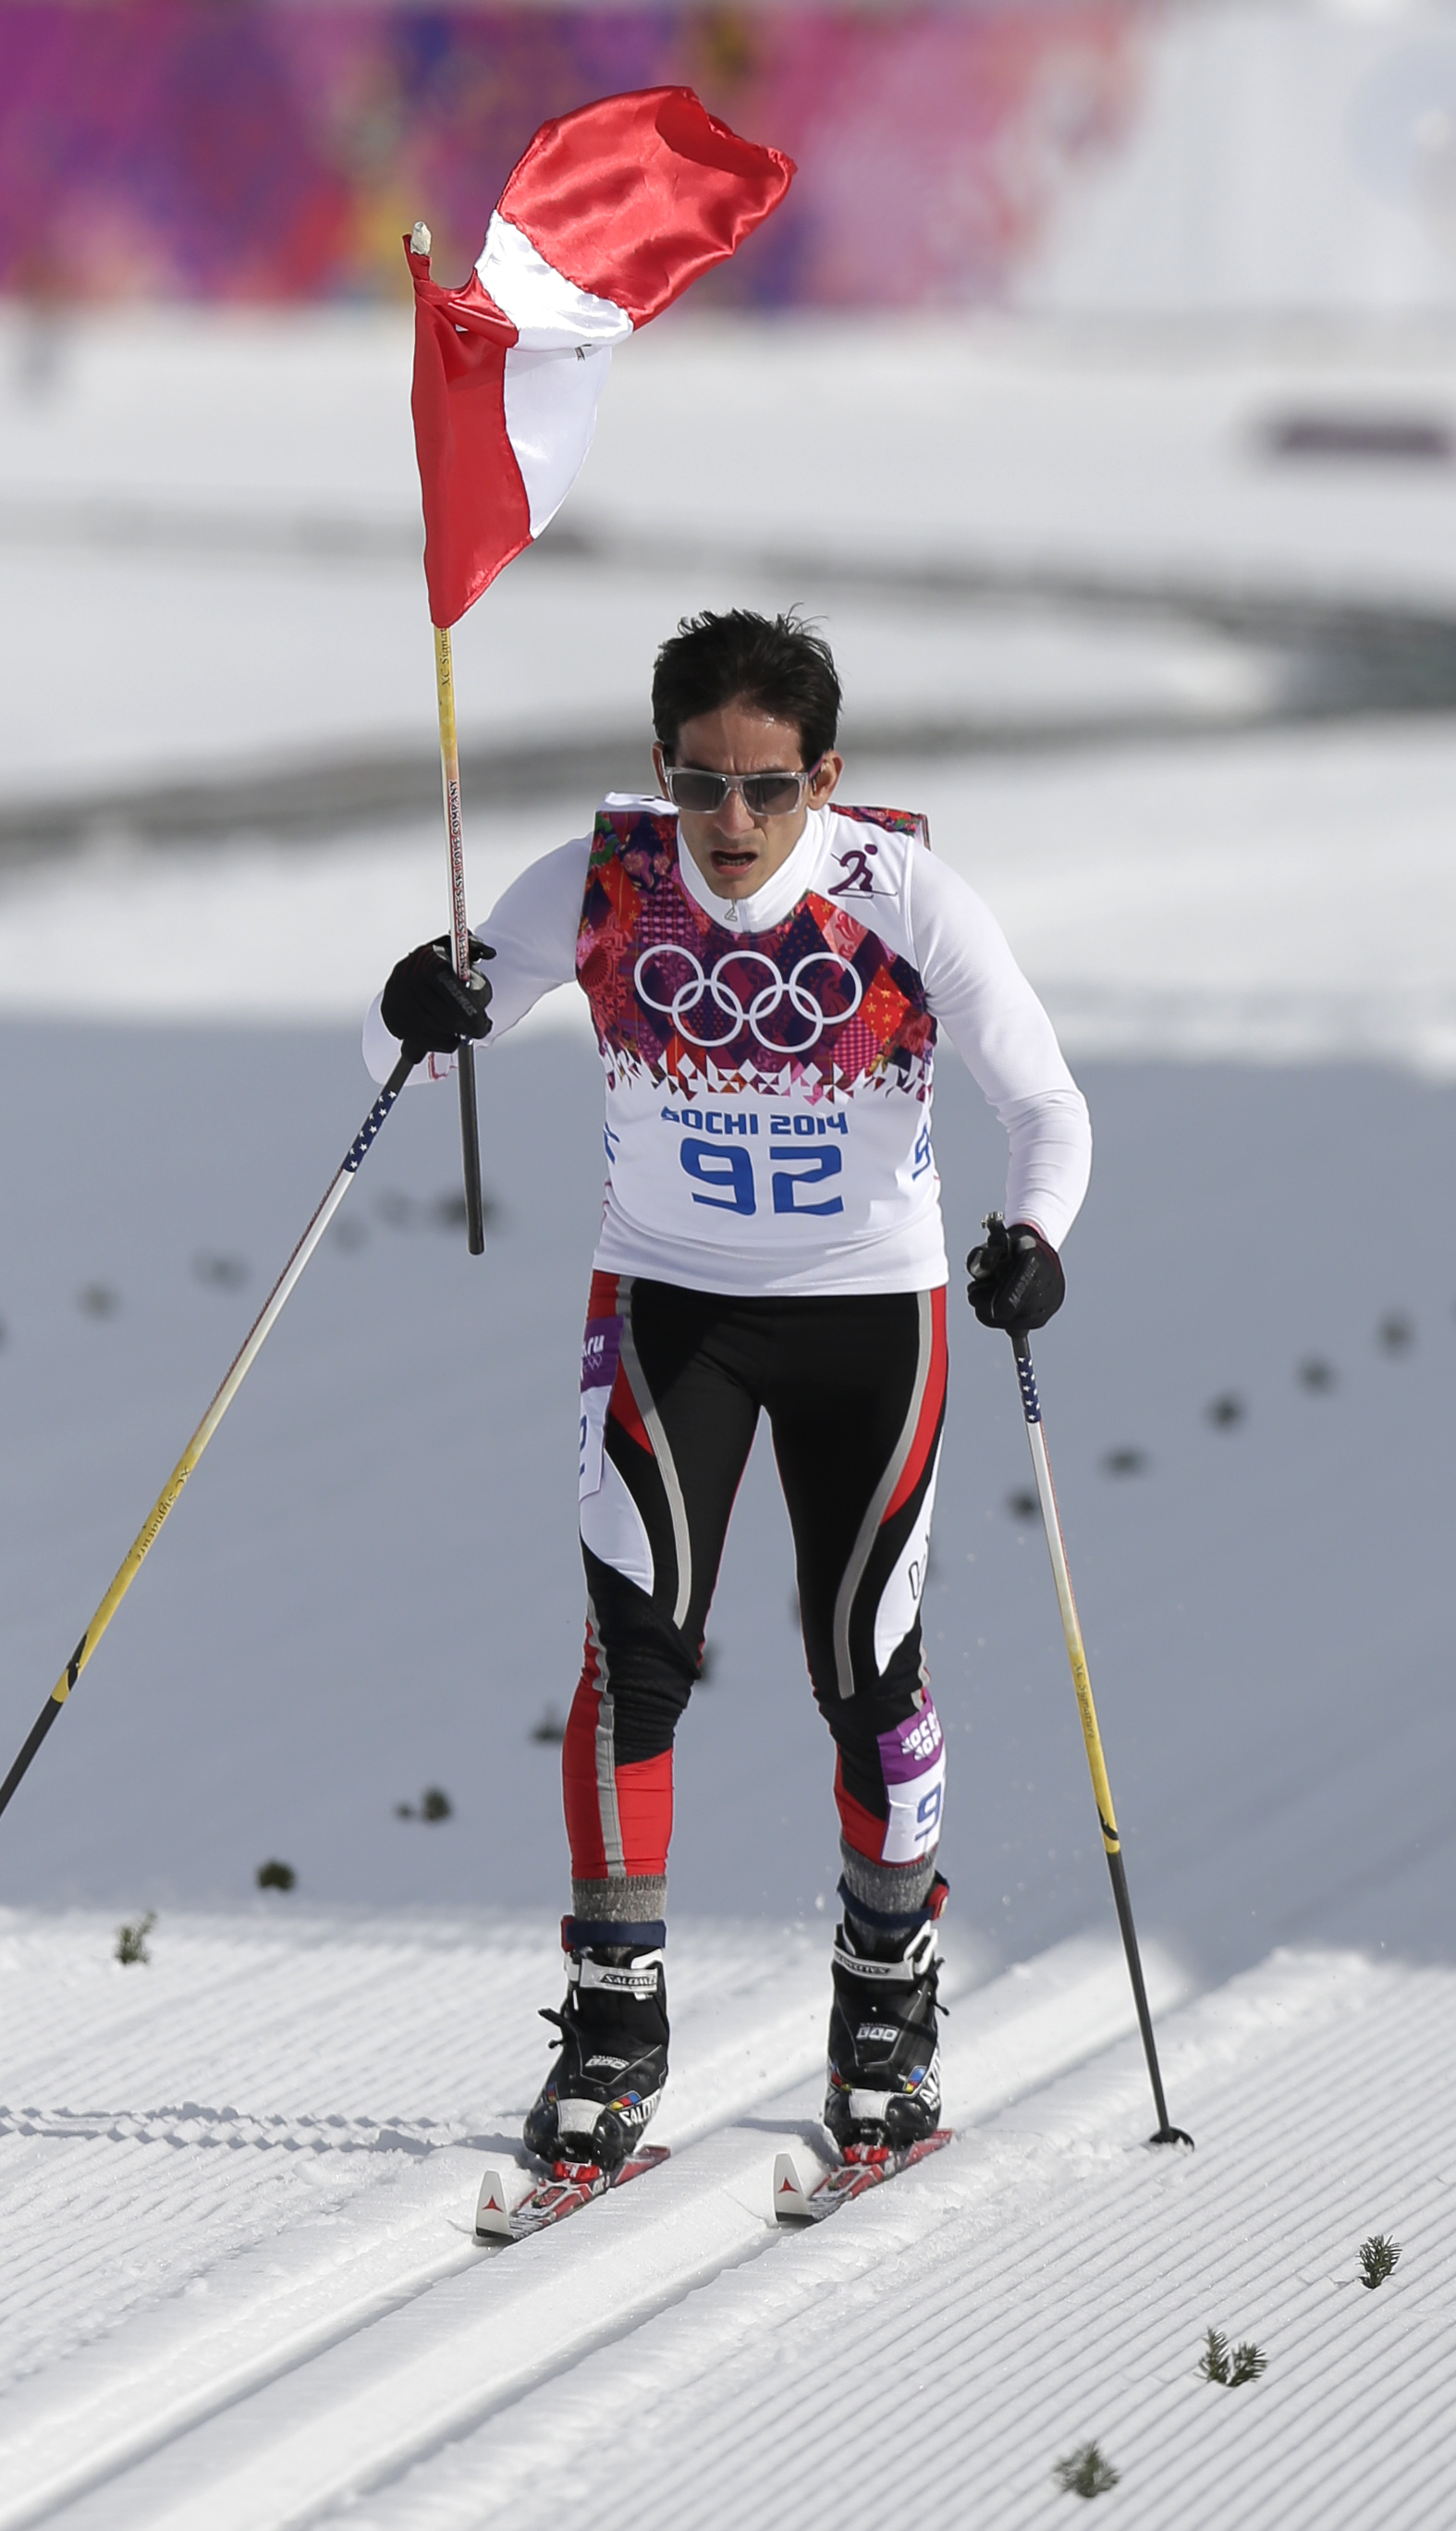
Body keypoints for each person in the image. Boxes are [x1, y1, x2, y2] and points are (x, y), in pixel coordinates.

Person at [365, 609, 1089, 2175]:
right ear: (662, 769)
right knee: (634, 1658)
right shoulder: (603, 881)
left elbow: (1045, 1106)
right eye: (702, 787)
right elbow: (438, 1032)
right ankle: (615, 2023)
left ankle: (886, 1998)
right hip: (667, 1305)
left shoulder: (906, 899)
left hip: (865, 1325)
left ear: (826, 775)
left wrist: (1035, 1241)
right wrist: (427, 1004)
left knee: (862, 1668)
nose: (734, 825)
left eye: (769, 788)